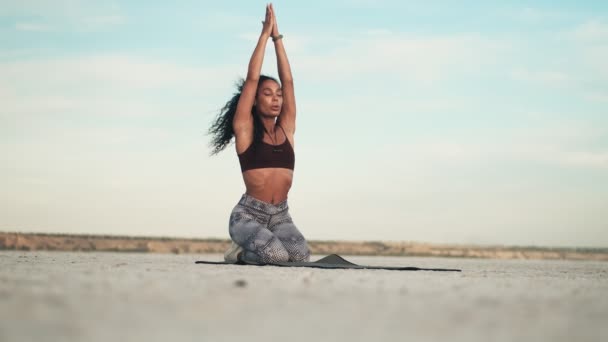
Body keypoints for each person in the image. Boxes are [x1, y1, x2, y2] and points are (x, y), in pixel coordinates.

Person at [208, 4, 310, 264]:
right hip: (248, 216)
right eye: (267, 94)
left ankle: (257, 251)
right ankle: (239, 253)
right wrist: (265, 35)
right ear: (254, 100)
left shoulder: (286, 127)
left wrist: (279, 39)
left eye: (278, 95)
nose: (276, 99)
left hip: (281, 215)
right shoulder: (245, 130)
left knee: (299, 256)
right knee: (276, 255)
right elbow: (252, 79)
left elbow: (289, 82)